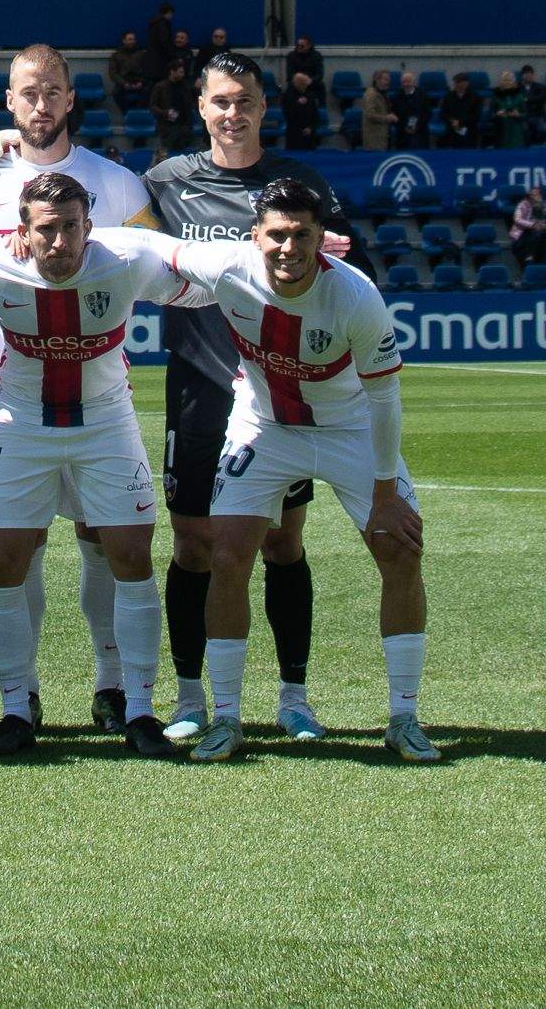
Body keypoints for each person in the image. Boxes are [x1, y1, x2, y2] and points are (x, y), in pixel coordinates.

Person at [133, 52, 362, 741]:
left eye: (245, 102)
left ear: (265, 108)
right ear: (200, 107)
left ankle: (293, 696)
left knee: (282, 542)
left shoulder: (298, 187)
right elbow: (84, 199)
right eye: (220, 102)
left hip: (278, 388)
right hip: (199, 384)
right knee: (194, 543)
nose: (233, 114)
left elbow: (351, 275)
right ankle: (190, 696)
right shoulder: (166, 183)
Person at [165, 178, 433, 764]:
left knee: (401, 550)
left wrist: (386, 495)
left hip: (349, 430)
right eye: (277, 236)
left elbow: (385, 401)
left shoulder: (356, 297)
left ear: (321, 238)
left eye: (302, 236)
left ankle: (404, 716)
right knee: (228, 554)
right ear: (253, 235)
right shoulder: (228, 266)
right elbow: (149, 251)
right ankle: (227, 718)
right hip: (265, 425)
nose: (289, 249)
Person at [0, 174, 205, 757]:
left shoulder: (124, 259)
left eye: (70, 228)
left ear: (90, 227)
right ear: (22, 230)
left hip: (106, 427)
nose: (58, 241)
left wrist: (260, 265)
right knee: (6, 562)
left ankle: (138, 707)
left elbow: (199, 274)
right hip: (22, 428)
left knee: (131, 559)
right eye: (46, 229)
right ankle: (16, 708)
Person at [0, 45, 158, 736]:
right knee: (18, 546)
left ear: (70, 98)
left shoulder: (114, 183)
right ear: (10, 101)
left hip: (99, 392)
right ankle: (21, 695)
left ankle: (114, 684)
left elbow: (153, 258)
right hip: (15, 396)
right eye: (27, 93)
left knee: (104, 539)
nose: (40, 104)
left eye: (52, 91)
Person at [151, 58, 193, 153]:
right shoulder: (160, 87)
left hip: (183, 126)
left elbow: (189, 104)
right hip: (166, 126)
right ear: (172, 72)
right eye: (180, 72)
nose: (183, 74)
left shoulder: (185, 86)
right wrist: (166, 113)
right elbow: (153, 106)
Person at [510, 185, 546, 266]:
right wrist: (533, 224)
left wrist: (544, 226)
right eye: (533, 194)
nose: (535, 196)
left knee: (544, 237)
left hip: (540, 234)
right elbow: (517, 219)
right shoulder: (523, 204)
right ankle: (530, 258)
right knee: (539, 237)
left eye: (537, 194)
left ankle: (543, 265)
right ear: (529, 196)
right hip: (523, 233)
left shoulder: (545, 205)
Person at [440, 72, 482, 149]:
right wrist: (452, 121)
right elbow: (443, 113)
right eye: (455, 82)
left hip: (469, 129)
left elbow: (477, 115)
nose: (455, 85)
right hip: (452, 128)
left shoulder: (475, 97)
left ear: (466, 83)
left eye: (458, 82)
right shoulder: (448, 96)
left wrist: (461, 122)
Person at [106, 31, 147, 108]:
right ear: (124, 41)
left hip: (139, 82)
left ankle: (139, 113)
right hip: (124, 82)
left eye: (134, 39)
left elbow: (147, 70)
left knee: (150, 92)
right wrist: (124, 83)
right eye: (130, 39)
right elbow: (113, 73)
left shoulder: (141, 54)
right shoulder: (116, 55)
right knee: (116, 94)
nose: (132, 41)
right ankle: (127, 114)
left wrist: (141, 82)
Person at [281, 73, 321, 151]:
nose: (305, 86)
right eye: (303, 84)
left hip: (309, 131)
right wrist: (298, 104)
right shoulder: (288, 95)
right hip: (294, 131)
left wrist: (311, 128)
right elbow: (288, 114)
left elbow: (315, 115)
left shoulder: (310, 95)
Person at [392, 70, 429, 149]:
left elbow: (427, 114)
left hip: (420, 130)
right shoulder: (397, 96)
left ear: (414, 83)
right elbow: (394, 115)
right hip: (402, 132)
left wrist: (417, 127)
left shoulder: (423, 95)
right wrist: (404, 127)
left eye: (408, 81)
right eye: (404, 82)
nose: (406, 84)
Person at [360, 70, 395, 151]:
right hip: (374, 137)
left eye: (389, 80)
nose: (388, 82)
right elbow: (370, 114)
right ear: (377, 80)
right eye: (385, 79)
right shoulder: (371, 94)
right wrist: (387, 118)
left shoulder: (383, 94)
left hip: (382, 135)